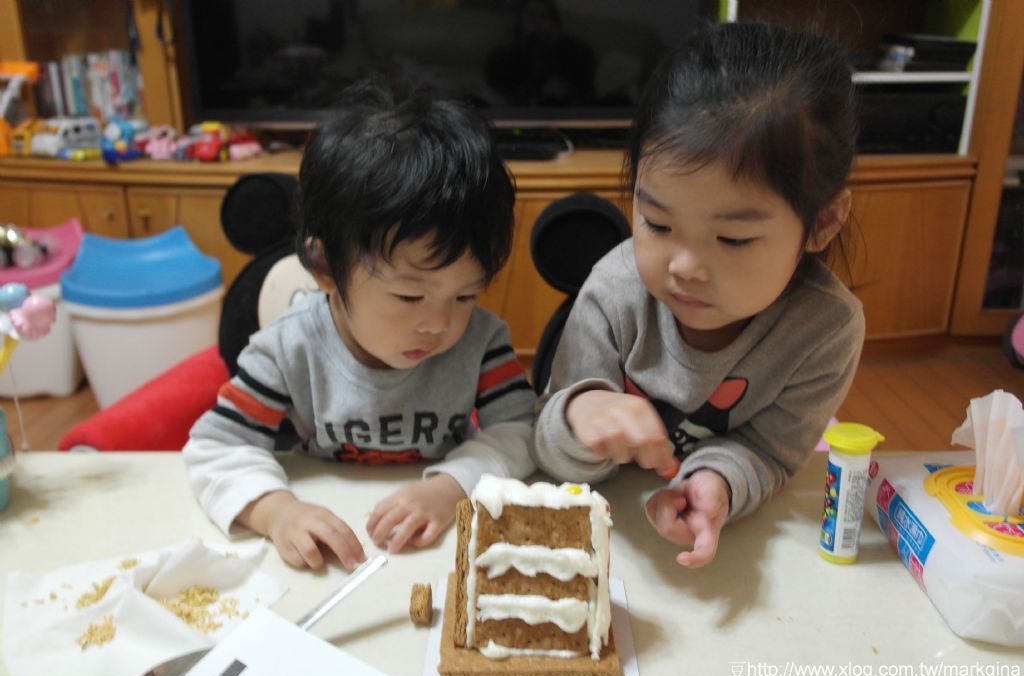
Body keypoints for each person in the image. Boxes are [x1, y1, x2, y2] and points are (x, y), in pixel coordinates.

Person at [534, 22, 865, 569]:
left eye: (732, 239)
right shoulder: (615, 291)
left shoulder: (823, 330)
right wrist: (577, 415)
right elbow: (547, 442)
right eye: (658, 224)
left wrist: (719, 481)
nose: (684, 267)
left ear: (823, 222)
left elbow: (770, 451)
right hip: (600, 538)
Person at [183, 79, 535, 571]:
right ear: (325, 266)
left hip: (433, 548)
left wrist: (450, 488)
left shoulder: (480, 340)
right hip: (334, 547)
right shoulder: (289, 348)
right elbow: (215, 448)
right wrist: (276, 511)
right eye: (409, 296)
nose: (439, 323)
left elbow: (522, 430)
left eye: (465, 295)